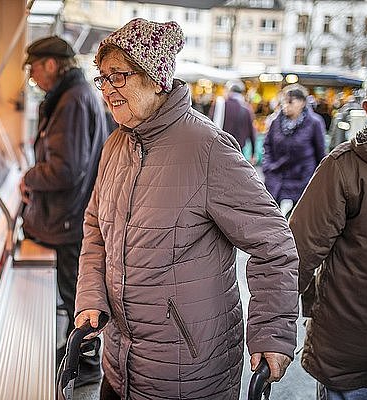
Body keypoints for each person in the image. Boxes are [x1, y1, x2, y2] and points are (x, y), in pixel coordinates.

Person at [75, 18, 299, 400]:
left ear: (155, 77)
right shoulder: (115, 146)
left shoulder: (208, 148)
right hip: (119, 365)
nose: (108, 89)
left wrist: (271, 332)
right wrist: (91, 297)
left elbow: (274, 245)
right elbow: (96, 230)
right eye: (103, 77)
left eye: (119, 76)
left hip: (190, 375)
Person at [19, 36, 108, 386]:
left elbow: (65, 169)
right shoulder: (75, 95)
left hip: (70, 215)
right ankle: (78, 357)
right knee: (76, 291)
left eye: (34, 67)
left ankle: (84, 366)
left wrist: (29, 177)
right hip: (72, 212)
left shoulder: (71, 101)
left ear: (52, 65)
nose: (32, 75)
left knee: (78, 294)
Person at [289, 88, 367, 400]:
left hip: (347, 352)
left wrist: (272, 328)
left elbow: (298, 254)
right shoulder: (345, 168)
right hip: (350, 353)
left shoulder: (345, 166)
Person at [262, 84, 326, 215]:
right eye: (284, 101)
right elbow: (267, 145)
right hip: (277, 174)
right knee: (271, 215)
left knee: (297, 216)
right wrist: (267, 167)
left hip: (302, 177)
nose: (286, 105)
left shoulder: (314, 122)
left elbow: (320, 153)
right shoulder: (276, 121)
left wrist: (318, 179)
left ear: (302, 103)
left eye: (290, 101)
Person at [210, 79, 257, 164]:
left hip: (220, 149)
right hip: (238, 151)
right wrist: (253, 152)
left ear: (228, 91)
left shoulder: (219, 105)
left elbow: (210, 125)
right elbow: (252, 133)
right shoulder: (246, 109)